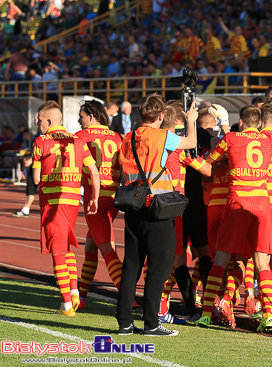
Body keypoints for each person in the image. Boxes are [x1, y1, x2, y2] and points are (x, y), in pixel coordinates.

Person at [194, 105, 272, 333]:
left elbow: (210, 160)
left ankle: (207, 314)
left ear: (242, 123)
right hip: (262, 206)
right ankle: (268, 315)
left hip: (237, 204)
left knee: (221, 259)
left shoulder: (231, 138)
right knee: (262, 262)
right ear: (259, 124)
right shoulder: (271, 140)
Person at [116, 93, 197, 336]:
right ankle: (151, 322)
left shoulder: (127, 138)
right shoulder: (163, 136)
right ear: (161, 116)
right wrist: (190, 119)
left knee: (131, 267)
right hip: (157, 209)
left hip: (132, 206)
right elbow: (191, 142)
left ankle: (124, 323)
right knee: (159, 268)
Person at [32, 101, 100, 316]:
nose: (36, 122)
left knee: (58, 250)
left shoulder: (41, 141)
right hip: (73, 200)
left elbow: (35, 178)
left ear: (49, 120)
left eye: (39, 119)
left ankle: (66, 305)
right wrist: (94, 197)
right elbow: (93, 171)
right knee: (67, 247)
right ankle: (74, 291)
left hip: (53, 201)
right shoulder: (78, 140)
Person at [75, 100, 124, 310]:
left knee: (106, 248)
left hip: (94, 197)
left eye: (82, 115)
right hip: (113, 196)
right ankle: (83, 297)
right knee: (91, 246)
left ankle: (128, 297)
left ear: (92, 116)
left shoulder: (80, 137)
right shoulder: (116, 136)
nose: (79, 119)